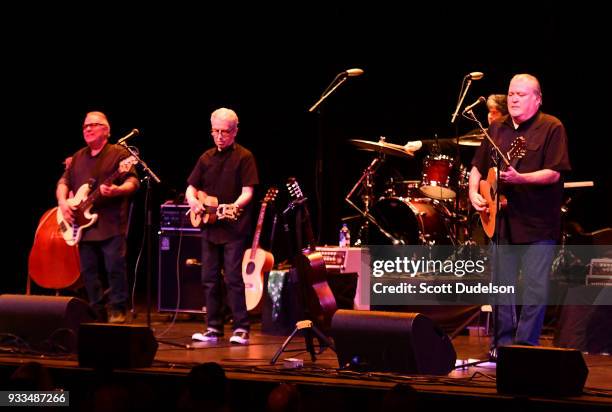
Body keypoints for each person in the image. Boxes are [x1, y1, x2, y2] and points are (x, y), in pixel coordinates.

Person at [468, 74, 571, 354]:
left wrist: (520, 179)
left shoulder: (552, 127)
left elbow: (554, 173)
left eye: (521, 94)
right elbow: (477, 167)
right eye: (511, 93)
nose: (513, 98)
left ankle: (525, 349)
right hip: (502, 223)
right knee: (501, 288)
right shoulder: (497, 128)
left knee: (535, 290)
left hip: (538, 223)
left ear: (537, 99)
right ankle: (500, 347)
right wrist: (473, 192)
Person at [57, 111, 139, 324]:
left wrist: (117, 191)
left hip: (111, 224)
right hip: (84, 226)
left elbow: (133, 182)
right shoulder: (78, 157)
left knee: (114, 268)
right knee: (89, 273)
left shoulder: (119, 154)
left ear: (106, 130)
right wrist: (63, 203)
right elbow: (63, 183)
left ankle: (118, 310)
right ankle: (96, 311)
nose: (88, 129)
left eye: (93, 125)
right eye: (85, 126)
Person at [186, 108, 258, 345]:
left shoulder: (244, 157)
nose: (219, 136)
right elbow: (191, 187)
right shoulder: (205, 158)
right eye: (215, 131)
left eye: (224, 132)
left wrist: (234, 206)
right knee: (208, 278)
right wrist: (194, 202)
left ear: (235, 131)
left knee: (233, 278)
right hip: (209, 228)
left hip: (234, 229)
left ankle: (240, 328)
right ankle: (213, 328)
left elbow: (248, 192)